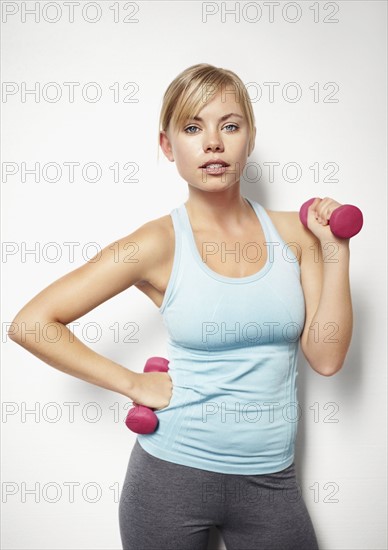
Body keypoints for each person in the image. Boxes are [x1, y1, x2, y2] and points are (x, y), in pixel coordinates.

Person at [9, 63, 353, 550]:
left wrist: (336, 248)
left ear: (250, 139)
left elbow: (327, 357)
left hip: (271, 483)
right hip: (169, 478)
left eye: (229, 126)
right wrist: (133, 383)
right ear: (168, 146)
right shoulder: (157, 242)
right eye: (193, 127)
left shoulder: (296, 235)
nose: (213, 142)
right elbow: (31, 323)